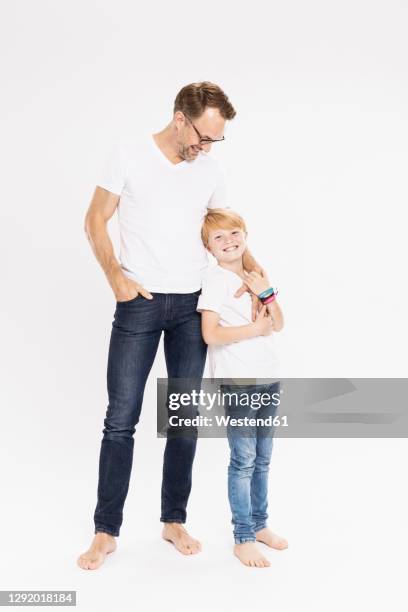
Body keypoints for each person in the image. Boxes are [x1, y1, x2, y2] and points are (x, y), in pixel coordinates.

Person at [77, 82, 264, 570]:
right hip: (139, 304)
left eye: (216, 140)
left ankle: (173, 520)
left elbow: (227, 233)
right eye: (203, 135)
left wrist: (258, 281)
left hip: (192, 306)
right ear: (180, 117)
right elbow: (96, 220)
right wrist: (116, 277)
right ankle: (105, 531)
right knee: (121, 419)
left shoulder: (211, 169)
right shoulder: (127, 155)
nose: (207, 146)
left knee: (183, 419)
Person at [197, 208, 288, 568]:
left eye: (234, 233)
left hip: (269, 375)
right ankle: (244, 536)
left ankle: (261, 524)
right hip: (238, 379)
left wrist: (264, 292)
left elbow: (278, 324)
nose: (229, 241)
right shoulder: (214, 280)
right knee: (244, 459)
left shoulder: (255, 275)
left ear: (245, 235)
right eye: (219, 237)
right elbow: (210, 334)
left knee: (263, 458)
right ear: (209, 246)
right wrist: (253, 330)